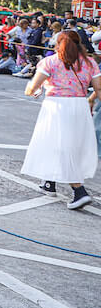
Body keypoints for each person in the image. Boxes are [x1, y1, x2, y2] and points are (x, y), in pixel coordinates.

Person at [21, 32, 97, 209]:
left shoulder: (51, 61)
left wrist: (33, 90)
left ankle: (79, 191)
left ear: (59, 45)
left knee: (61, 145)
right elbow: (99, 87)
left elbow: (32, 88)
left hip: (57, 106)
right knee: (63, 144)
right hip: (80, 105)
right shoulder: (89, 62)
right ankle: (49, 182)